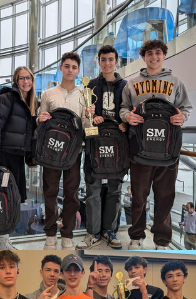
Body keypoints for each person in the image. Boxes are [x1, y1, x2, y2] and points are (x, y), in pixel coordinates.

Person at [120, 40, 192, 250]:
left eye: (158, 53)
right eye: (149, 53)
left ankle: (162, 240)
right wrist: (128, 117)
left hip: (167, 150)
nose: (154, 57)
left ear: (164, 55)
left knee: (165, 197)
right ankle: (136, 236)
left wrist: (183, 118)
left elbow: (185, 108)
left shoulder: (176, 82)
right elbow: (123, 109)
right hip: (140, 149)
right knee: (138, 196)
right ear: (143, 57)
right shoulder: (131, 83)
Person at [38, 52, 93, 251]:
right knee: (50, 193)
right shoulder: (48, 94)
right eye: (67, 66)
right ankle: (50, 234)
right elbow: (40, 122)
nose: (70, 70)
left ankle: (67, 234)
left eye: (74, 67)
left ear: (78, 71)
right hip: (51, 152)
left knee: (72, 194)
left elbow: (86, 126)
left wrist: (89, 117)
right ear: (61, 67)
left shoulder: (84, 94)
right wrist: (39, 119)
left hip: (74, 153)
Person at [76, 45, 128, 250]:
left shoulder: (125, 86)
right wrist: (91, 117)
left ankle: (110, 231)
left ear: (116, 61)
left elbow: (128, 111)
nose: (107, 63)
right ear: (99, 61)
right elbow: (85, 118)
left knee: (115, 190)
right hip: (94, 144)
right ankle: (93, 233)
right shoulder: (89, 87)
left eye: (111, 59)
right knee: (93, 190)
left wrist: (125, 123)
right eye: (103, 59)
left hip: (118, 145)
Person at [0, 66, 38, 251]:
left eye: (28, 78)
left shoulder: (30, 103)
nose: (26, 82)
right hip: (3, 157)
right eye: (22, 78)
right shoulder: (6, 98)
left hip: (17, 159)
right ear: (16, 80)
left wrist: (30, 158)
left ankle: (4, 241)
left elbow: (30, 134)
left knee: (11, 201)